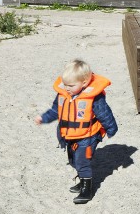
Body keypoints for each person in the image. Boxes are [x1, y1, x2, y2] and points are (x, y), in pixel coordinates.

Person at [35, 59, 118, 204]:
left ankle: (87, 189)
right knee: (73, 160)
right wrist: (44, 118)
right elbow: (56, 110)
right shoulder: (63, 94)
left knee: (82, 162)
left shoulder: (94, 97)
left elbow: (104, 113)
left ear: (84, 83)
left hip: (87, 136)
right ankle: (82, 180)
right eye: (65, 84)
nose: (67, 88)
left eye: (71, 86)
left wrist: (111, 128)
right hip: (69, 136)